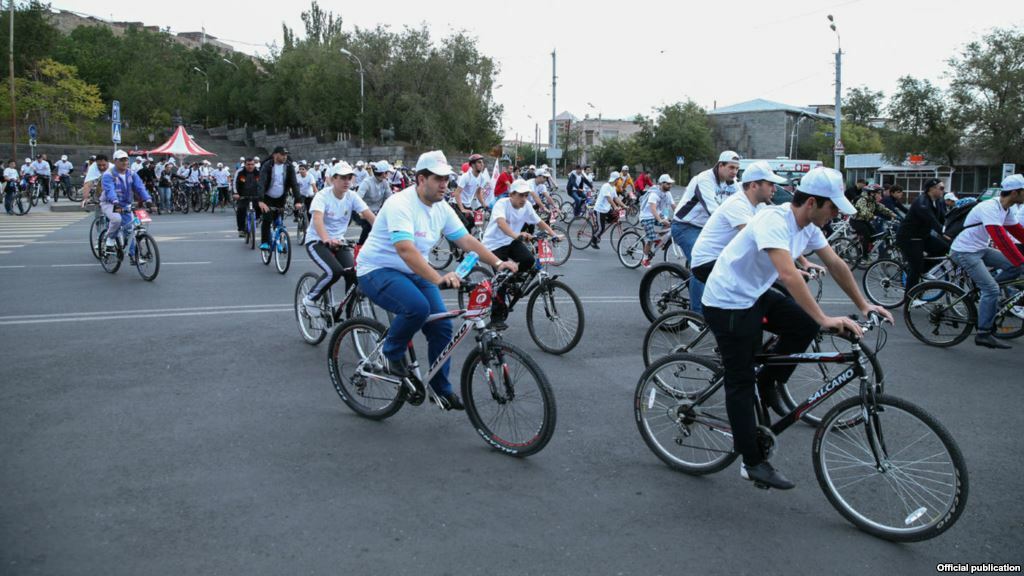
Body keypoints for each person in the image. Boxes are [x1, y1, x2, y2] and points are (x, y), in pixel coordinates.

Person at [702, 167, 893, 490]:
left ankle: (770, 380)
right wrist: (825, 318)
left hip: (755, 294)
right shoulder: (773, 220)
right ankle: (752, 462)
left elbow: (835, 263)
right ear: (812, 203)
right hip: (728, 302)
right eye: (832, 208)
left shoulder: (809, 226)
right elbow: (788, 275)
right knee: (740, 381)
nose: (835, 215)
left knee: (802, 325)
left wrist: (864, 305)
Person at [356, 151, 518, 410]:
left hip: (413, 271)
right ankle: (391, 354)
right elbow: (405, 250)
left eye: (447, 179)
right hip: (377, 269)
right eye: (438, 178)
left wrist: (498, 263)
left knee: (442, 326)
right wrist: (439, 278)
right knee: (417, 308)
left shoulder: (442, 207)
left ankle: (440, 389)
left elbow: (467, 241)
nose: (445, 184)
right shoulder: (400, 203)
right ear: (421, 179)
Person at [948, 174, 1024, 349]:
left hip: (980, 249)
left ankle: (991, 297)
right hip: (964, 251)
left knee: (1015, 267)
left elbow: (1018, 232)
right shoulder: (990, 207)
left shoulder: (1008, 209)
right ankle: (983, 333)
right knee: (992, 288)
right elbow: (1000, 238)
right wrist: (1020, 259)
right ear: (1014, 192)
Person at [482, 179, 563, 329]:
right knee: (502, 280)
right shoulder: (502, 204)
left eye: (526, 195)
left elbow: (539, 222)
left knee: (528, 260)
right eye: (521, 195)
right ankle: (496, 318)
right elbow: (501, 223)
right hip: (494, 245)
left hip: (511, 240)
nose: (524, 199)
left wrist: (553, 234)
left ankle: (512, 281)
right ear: (512, 194)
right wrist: (516, 235)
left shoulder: (526, 206)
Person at [690, 161, 787, 284]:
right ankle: (697, 303)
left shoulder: (760, 205)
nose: (774, 189)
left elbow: (773, 232)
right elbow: (758, 238)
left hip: (727, 258)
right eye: (771, 184)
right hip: (708, 261)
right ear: (754, 186)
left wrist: (801, 262)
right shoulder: (737, 204)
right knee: (755, 285)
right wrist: (785, 267)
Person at [301, 161, 376, 317]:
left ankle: (351, 316)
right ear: (333, 179)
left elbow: (370, 216)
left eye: (350, 178)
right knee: (334, 272)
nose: (347, 181)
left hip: (339, 242)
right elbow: (317, 220)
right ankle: (310, 299)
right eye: (342, 178)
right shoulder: (322, 196)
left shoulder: (352, 196)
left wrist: (388, 237)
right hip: (317, 241)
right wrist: (326, 238)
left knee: (354, 274)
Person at [670, 150, 741, 314]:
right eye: (731, 167)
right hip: (686, 227)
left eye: (737, 169)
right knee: (702, 264)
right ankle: (697, 314)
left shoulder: (732, 183)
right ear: (720, 165)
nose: (734, 172)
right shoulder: (704, 179)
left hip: (707, 229)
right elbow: (714, 211)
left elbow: (743, 202)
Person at [896, 179, 950, 293]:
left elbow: (943, 219)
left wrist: (953, 231)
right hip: (909, 237)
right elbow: (932, 221)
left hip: (923, 236)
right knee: (915, 268)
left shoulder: (938, 201)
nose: (943, 191)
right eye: (941, 188)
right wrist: (944, 233)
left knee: (944, 248)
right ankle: (910, 297)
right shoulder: (922, 202)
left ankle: (924, 270)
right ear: (932, 188)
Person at [100, 150, 153, 251]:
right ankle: (110, 239)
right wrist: (115, 201)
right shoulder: (108, 175)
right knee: (117, 220)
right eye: (121, 160)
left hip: (125, 204)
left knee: (131, 228)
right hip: (110, 203)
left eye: (126, 160)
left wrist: (148, 200)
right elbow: (110, 190)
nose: (124, 162)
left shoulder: (131, 173)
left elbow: (140, 187)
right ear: (115, 161)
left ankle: (134, 255)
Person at [257, 146, 299, 250]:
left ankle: (279, 240)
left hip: (281, 197)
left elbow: (294, 184)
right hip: (267, 197)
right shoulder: (267, 165)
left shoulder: (289, 167)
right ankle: (265, 242)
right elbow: (261, 183)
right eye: (282, 154)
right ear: (275, 155)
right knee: (267, 219)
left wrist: (298, 201)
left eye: (286, 154)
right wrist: (261, 201)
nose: (285, 157)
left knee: (279, 220)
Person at [638, 175, 675, 268]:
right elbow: (653, 209)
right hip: (646, 216)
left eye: (671, 184)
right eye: (667, 184)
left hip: (658, 214)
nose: (670, 185)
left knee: (670, 225)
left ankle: (658, 240)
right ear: (661, 184)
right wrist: (660, 220)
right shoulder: (654, 194)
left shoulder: (668, 194)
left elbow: (673, 206)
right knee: (651, 238)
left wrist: (681, 217)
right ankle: (645, 259)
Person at [850, 185, 897, 256]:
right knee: (867, 235)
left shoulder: (872, 201)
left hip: (864, 221)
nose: (880, 195)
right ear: (872, 193)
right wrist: (874, 217)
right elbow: (864, 212)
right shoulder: (862, 200)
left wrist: (893, 214)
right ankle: (864, 255)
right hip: (856, 221)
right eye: (878, 193)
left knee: (874, 235)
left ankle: (863, 246)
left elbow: (882, 208)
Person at [590, 171, 626, 248]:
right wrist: (615, 207)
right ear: (615, 179)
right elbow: (609, 198)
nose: (619, 181)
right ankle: (593, 240)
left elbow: (616, 198)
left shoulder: (613, 187)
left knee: (615, 217)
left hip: (607, 209)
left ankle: (599, 226)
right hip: (600, 210)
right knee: (601, 228)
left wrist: (624, 205)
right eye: (618, 179)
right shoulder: (606, 186)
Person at [454, 153, 490, 231]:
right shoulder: (466, 176)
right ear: (473, 165)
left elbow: (478, 193)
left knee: (474, 223)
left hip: (468, 205)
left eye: (482, 162)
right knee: (464, 227)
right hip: (458, 205)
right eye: (479, 162)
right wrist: (462, 209)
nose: (482, 164)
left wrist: (484, 204)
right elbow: (457, 193)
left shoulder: (482, 178)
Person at [233, 157, 261, 237]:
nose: (250, 166)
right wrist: (235, 193)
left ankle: (257, 219)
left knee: (261, 207)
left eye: (252, 164)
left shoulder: (258, 172)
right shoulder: (240, 172)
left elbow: (263, 183)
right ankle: (241, 229)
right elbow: (235, 183)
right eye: (248, 164)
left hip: (256, 195)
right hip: (243, 196)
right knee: (241, 210)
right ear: (245, 164)